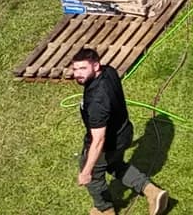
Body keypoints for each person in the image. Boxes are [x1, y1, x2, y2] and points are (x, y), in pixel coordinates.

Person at [70, 48, 169, 214]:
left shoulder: (96, 102)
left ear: (95, 66)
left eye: (82, 69)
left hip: (109, 142)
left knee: (94, 174)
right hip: (124, 133)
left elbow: (99, 140)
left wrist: (87, 171)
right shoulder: (109, 71)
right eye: (75, 69)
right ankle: (153, 192)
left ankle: (104, 210)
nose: (77, 74)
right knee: (114, 164)